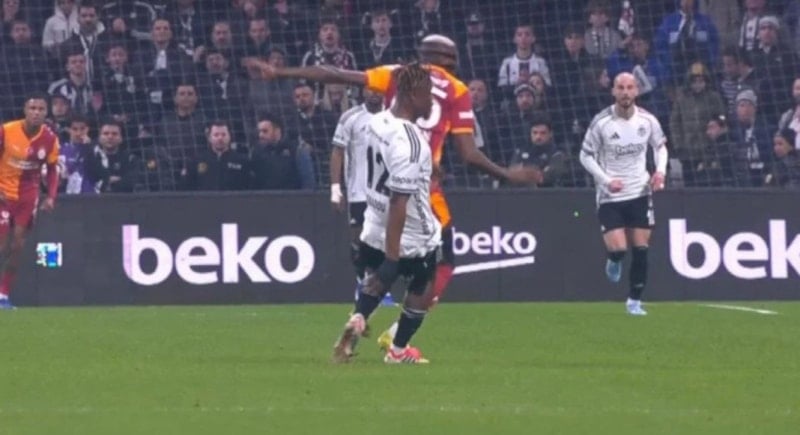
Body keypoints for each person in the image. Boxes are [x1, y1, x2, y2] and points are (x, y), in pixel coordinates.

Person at [246, 34, 538, 349]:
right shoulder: (457, 90)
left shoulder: (396, 74)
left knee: (387, 261)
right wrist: (508, 174)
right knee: (438, 265)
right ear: (451, 60)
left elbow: (336, 74)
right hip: (421, 189)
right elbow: (469, 155)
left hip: (378, 190)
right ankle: (397, 341)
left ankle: (359, 317)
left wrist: (282, 72)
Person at [332, 63, 438, 364]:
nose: (431, 101)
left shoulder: (377, 123)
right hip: (410, 228)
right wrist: (393, 261)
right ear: (413, 95)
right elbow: (399, 203)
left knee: (376, 279)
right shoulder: (411, 142)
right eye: (428, 94)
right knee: (423, 284)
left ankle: (359, 317)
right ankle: (398, 349)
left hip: (373, 220)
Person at [579, 73, 668, 316]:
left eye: (630, 87)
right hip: (611, 196)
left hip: (639, 191)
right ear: (613, 91)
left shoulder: (648, 120)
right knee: (619, 249)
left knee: (641, 249)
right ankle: (614, 259)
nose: (625, 92)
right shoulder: (602, 123)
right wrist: (606, 180)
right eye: (621, 88)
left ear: (636, 91)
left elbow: (660, 147)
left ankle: (634, 302)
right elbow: (585, 155)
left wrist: (660, 172)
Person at [330, 87, 395, 306]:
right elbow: (337, 152)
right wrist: (336, 189)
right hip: (358, 191)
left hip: (387, 191)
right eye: (370, 89)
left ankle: (379, 288)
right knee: (359, 240)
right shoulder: (350, 118)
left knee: (384, 241)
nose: (374, 93)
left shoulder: (395, 116)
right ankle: (362, 281)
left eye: (379, 89)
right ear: (363, 91)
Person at [0, 93, 60, 310]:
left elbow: (53, 169)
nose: (36, 113)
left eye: (41, 109)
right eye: (32, 108)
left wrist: (51, 196)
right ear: (25, 110)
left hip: (27, 197)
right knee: (2, 244)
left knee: (17, 246)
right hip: (3, 194)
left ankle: (3, 295)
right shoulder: (6, 131)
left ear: (46, 112)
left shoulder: (50, 139)